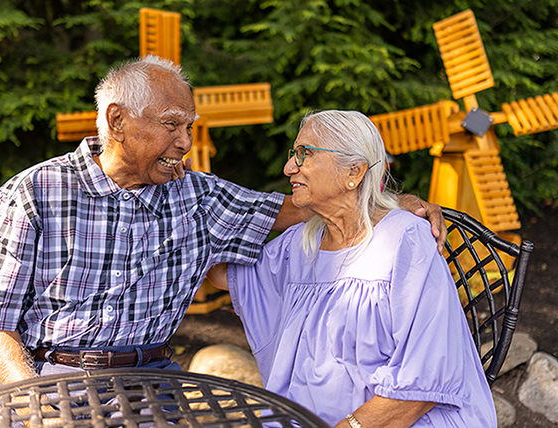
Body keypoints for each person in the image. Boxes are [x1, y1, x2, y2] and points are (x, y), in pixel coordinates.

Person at [0, 56, 445, 391]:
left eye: (188, 126)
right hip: (47, 377)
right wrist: (32, 401)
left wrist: (387, 199)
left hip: (153, 382)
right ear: (118, 121)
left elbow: (299, 205)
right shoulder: (34, 192)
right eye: (172, 125)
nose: (185, 141)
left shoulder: (198, 195)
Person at [207, 110, 496, 427]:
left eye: (304, 154)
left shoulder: (405, 240)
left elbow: (422, 384)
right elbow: (219, 273)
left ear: (355, 172)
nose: (289, 167)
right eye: (293, 155)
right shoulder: (301, 244)